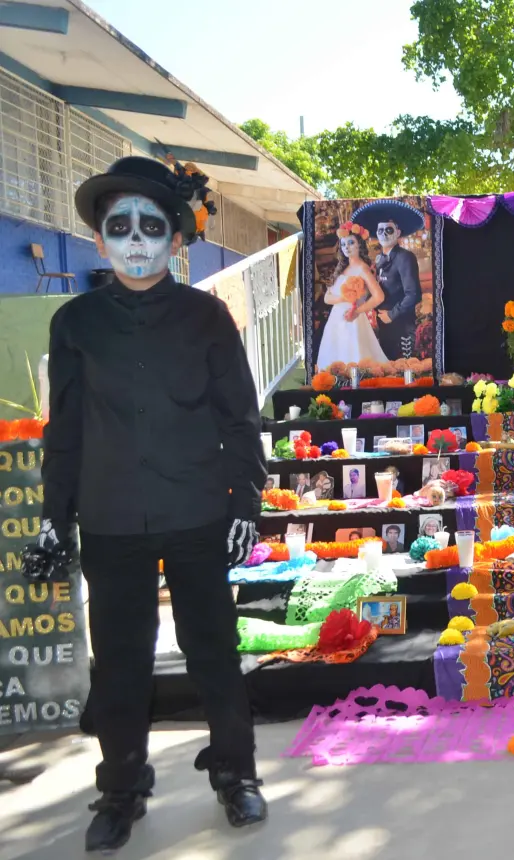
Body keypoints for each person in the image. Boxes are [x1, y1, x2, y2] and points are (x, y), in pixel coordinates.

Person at [24, 156, 268, 853]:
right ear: (99, 240)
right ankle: (122, 788)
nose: (136, 240)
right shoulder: (75, 324)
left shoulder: (207, 318)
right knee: (121, 662)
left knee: (214, 653)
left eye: (152, 227)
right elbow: (62, 430)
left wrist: (246, 500)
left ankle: (236, 772)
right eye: (119, 226)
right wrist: (52, 517)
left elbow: (238, 417)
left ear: (176, 240)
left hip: (196, 511)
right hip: (109, 518)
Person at [351, 199, 424, 361]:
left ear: (398, 233)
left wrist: (392, 314)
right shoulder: (379, 258)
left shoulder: (405, 257)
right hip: (384, 325)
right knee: (387, 367)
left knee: (404, 369)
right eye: (380, 230)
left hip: (402, 325)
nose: (384, 234)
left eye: (389, 230)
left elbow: (413, 294)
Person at [314, 222, 387, 369]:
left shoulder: (363, 269)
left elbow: (379, 296)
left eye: (351, 243)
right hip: (335, 321)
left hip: (352, 320)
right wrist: (343, 298)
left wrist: (357, 311)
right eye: (343, 244)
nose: (346, 247)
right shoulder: (342, 269)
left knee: (354, 358)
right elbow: (327, 298)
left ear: (359, 245)